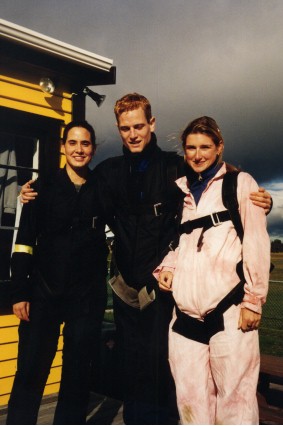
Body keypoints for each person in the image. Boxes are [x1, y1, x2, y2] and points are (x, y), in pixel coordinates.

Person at [20, 95, 272, 425]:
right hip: (126, 290)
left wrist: (257, 197)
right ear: (119, 129)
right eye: (125, 128)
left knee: (166, 370)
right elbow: (73, 186)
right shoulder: (108, 172)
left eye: (139, 126)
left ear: (151, 124)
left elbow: (213, 173)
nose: (133, 134)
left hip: (165, 287)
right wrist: (35, 191)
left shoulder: (173, 166)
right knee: (132, 368)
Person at [154, 116, 270, 425]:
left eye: (205, 146)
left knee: (236, 401)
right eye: (190, 147)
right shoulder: (181, 190)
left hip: (230, 313)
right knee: (191, 403)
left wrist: (253, 301)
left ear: (219, 147)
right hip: (185, 319)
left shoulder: (240, 184)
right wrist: (168, 266)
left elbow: (257, 244)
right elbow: (180, 239)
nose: (197, 154)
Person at [6, 121, 108, 425]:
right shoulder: (39, 188)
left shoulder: (103, 188)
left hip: (85, 298)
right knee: (30, 371)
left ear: (93, 148)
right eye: (73, 143)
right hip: (42, 295)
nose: (79, 150)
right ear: (63, 146)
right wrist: (19, 292)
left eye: (86, 144)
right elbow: (23, 243)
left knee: (77, 375)